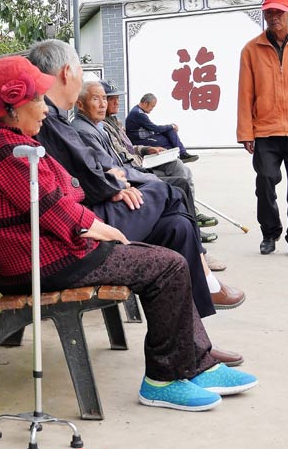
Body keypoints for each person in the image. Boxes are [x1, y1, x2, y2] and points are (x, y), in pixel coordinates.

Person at [0, 55, 257, 412]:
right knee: (167, 266)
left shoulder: (4, 138)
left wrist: (81, 210)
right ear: (13, 105)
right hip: (44, 263)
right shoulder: (5, 149)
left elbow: (71, 191)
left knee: (167, 249)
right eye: (37, 99)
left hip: (51, 252)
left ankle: (194, 362)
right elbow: (57, 207)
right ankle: (162, 380)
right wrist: (105, 230)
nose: (43, 107)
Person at [28, 39, 244, 317]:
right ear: (67, 72)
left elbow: (92, 170)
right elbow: (89, 176)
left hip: (83, 213)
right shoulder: (47, 118)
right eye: (82, 76)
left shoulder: (57, 117)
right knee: (169, 192)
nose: (104, 102)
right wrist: (114, 183)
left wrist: (112, 180)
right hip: (81, 226)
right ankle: (206, 289)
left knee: (176, 225)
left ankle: (193, 341)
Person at [100, 79, 222, 250]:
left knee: (178, 166)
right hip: (134, 169)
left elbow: (129, 147)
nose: (116, 102)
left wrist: (146, 149)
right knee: (180, 182)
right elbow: (119, 159)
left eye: (116, 98)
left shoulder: (114, 122)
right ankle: (192, 223)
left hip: (140, 160)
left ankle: (192, 210)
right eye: (110, 98)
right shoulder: (105, 126)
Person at [237, 0, 288, 257]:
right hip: (265, 130)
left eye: (278, 12)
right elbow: (245, 94)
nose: (273, 17)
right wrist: (245, 131)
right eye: (269, 12)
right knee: (265, 181)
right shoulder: (251, 50)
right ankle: (269, 232)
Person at [125, 93, 198, 162]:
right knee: (167, 141)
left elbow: (153, 128)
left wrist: (170, 127)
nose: (152, 109)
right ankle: (179, 156)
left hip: (147, 136)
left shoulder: (137, 111)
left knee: (170, 131)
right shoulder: (138, 113)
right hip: (140, 140)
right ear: (145, 103)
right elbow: (155, 128)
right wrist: (171, 126)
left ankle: (182, 153)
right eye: (152, 106)